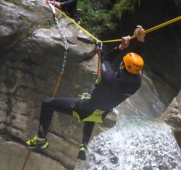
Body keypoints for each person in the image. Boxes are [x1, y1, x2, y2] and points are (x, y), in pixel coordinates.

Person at [25, 25, 146, 160]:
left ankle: (41, 139)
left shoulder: (109, 78)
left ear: (122, 66)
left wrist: (120, 48)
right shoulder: (136, 83)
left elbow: (105, 60)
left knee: (47, 104)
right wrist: (139, 41)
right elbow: (135, 65)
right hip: (101, 113)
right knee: (93, 107)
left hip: (85, 108)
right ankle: (84, 145)